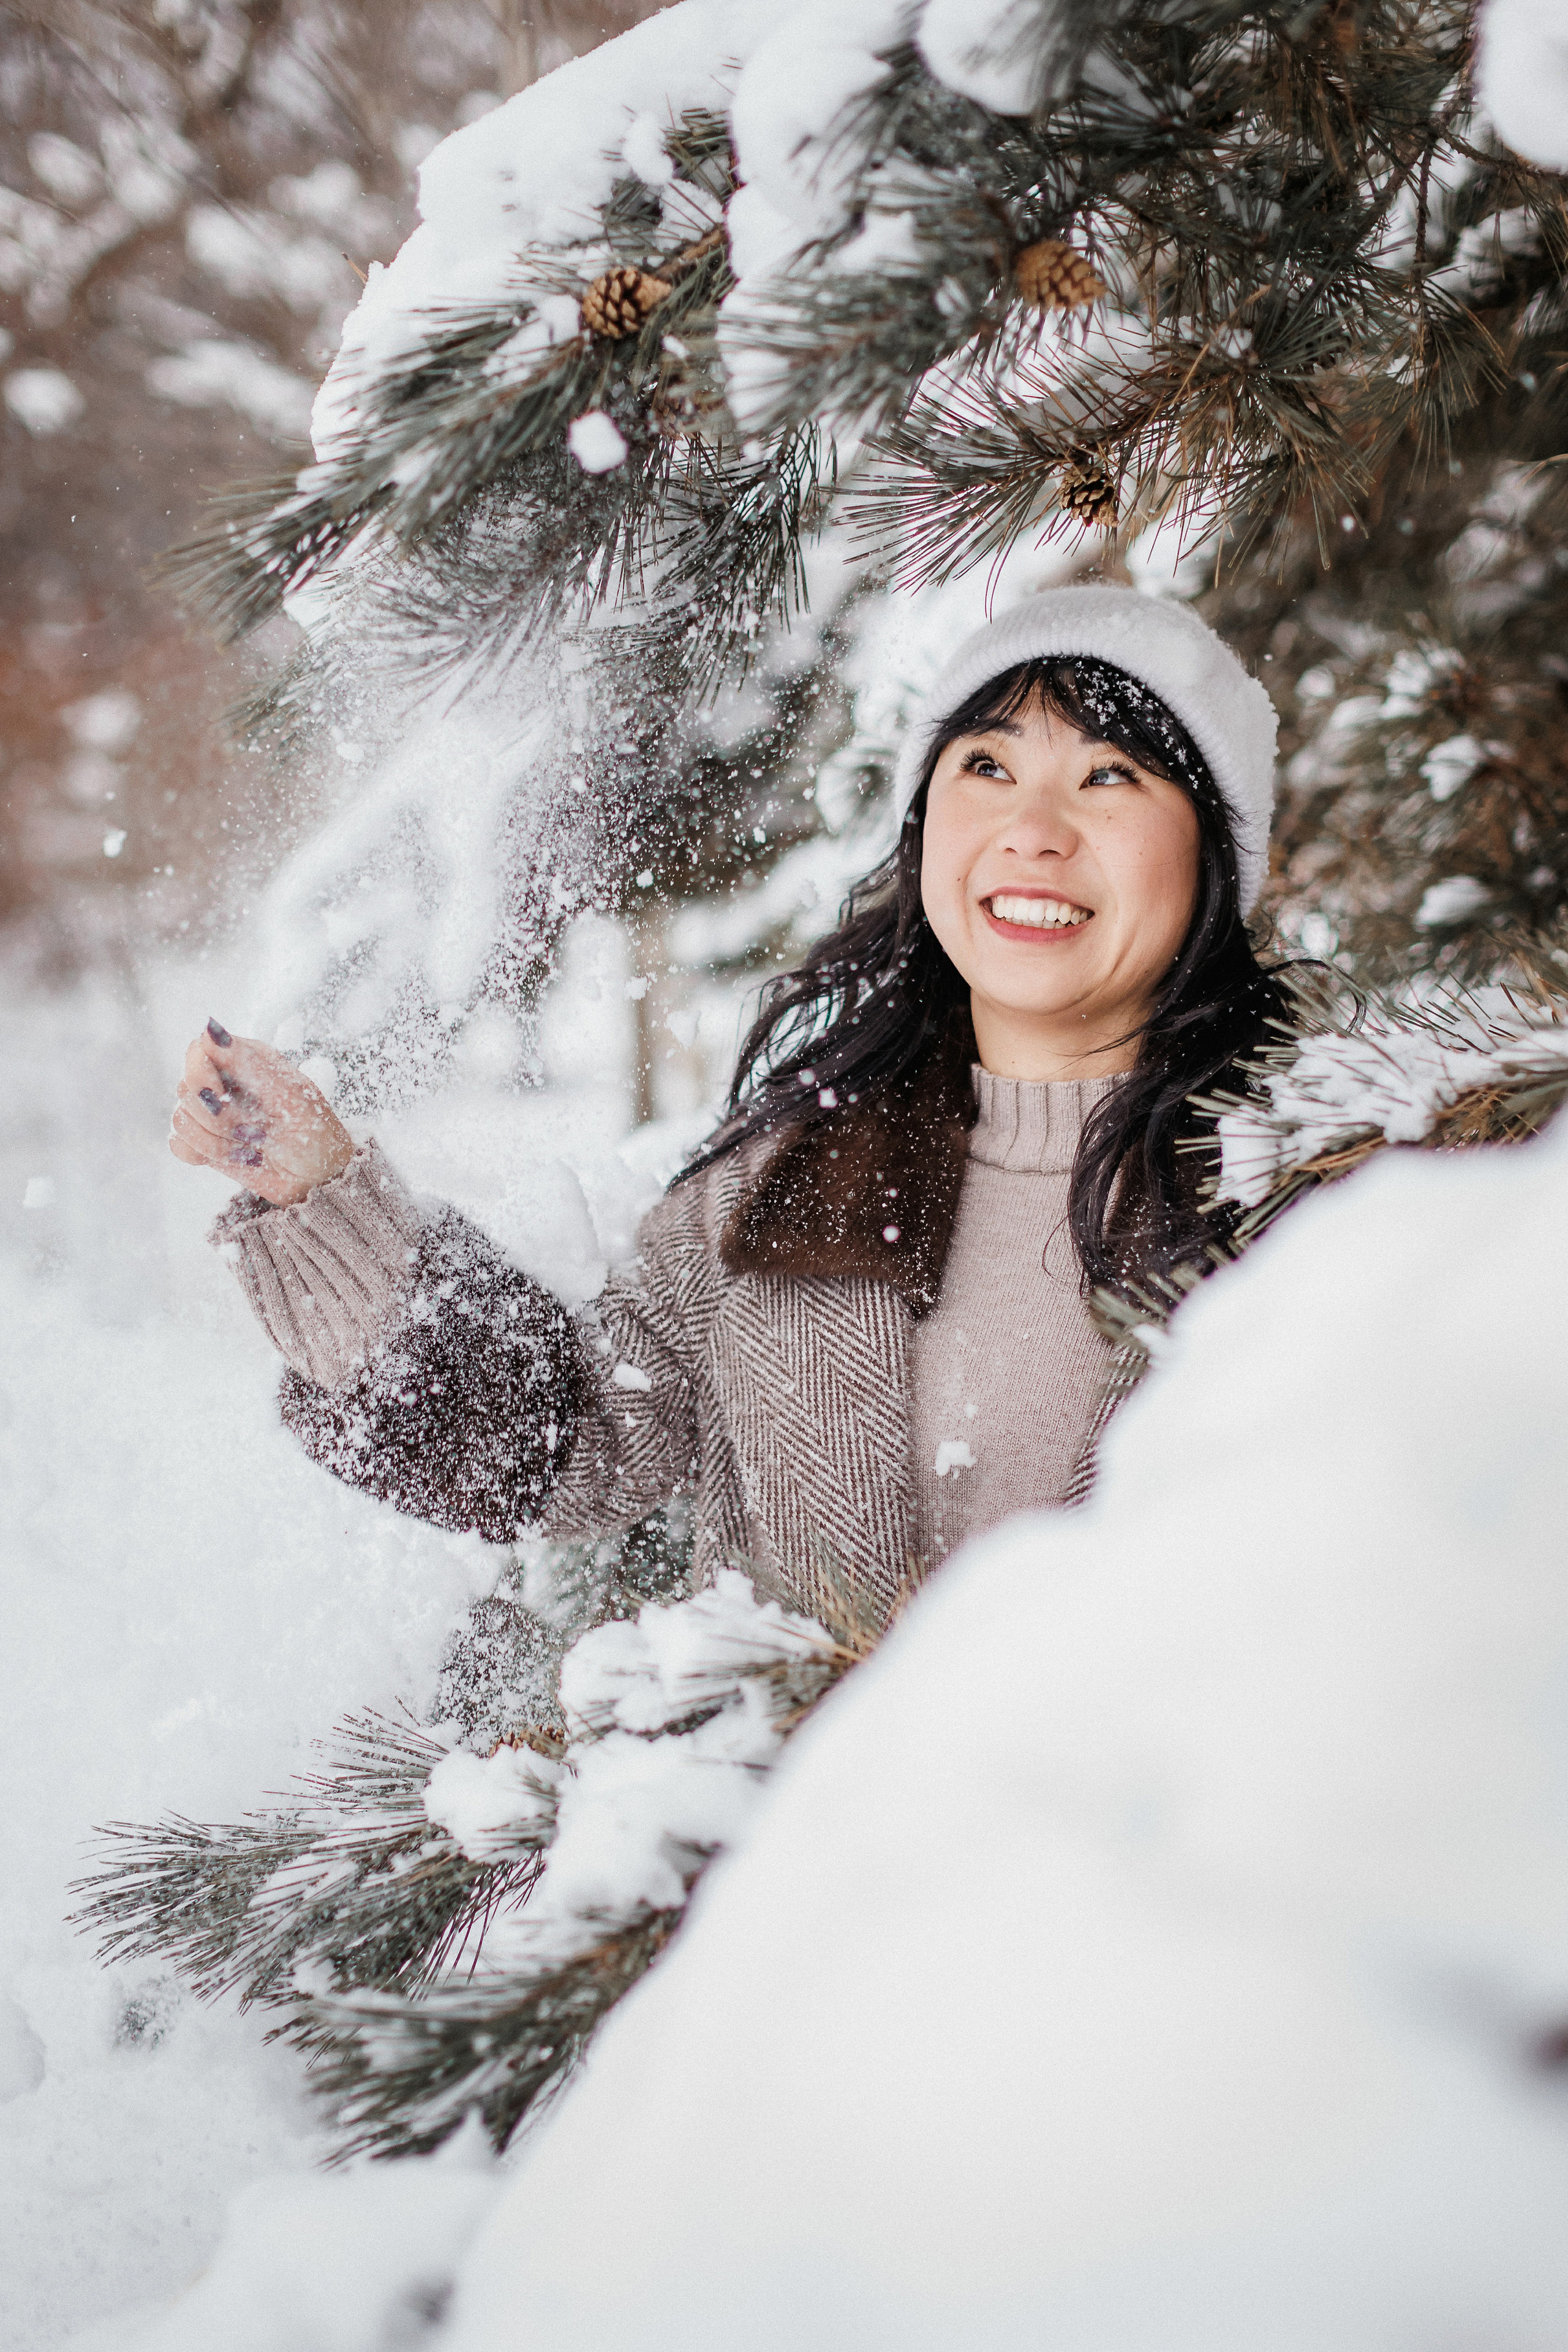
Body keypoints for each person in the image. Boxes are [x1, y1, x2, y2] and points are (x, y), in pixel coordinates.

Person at [170, 587, 1284, 1630]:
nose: (1034, 828)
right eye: (987, 764)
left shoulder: (1308, 1195)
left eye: (1109, 777)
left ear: (1215, 855)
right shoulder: (787, 1187)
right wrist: (323, 1196)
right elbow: (564, 1445)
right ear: (925, 833)